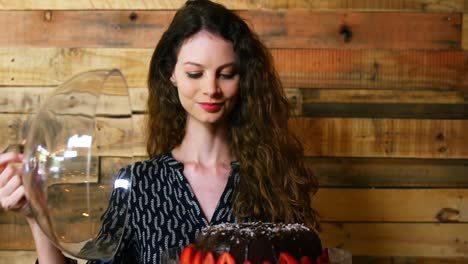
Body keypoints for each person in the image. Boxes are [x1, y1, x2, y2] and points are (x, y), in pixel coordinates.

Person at [0, 0, 320, 263]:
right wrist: (35, 217)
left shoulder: (272, 179)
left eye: (226, 74)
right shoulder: (140, 185)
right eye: (195, 73)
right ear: (171, 74)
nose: (211, 88)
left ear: (244, 79)